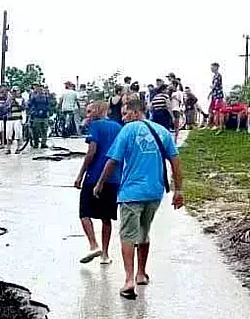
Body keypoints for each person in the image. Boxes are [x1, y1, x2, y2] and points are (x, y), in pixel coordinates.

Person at [94, 97, 184, 300]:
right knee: (144, 232)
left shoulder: (128, 131)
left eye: (126, 113)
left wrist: (100, 184)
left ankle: (128, 280)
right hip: (154, 192)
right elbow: (176, 162)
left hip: (131, 192)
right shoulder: (162, 131)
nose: (123, 118)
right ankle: (141, 273)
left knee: (128, 234)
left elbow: (113, 161)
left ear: (136, 112)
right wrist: (179, 190)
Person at [74, 101, 123, 266]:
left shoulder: (95, 126)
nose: (87, 115)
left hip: (94, 176)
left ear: (97, 111)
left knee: (84, 212)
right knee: (106, 217)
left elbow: (91, 152)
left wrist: (80, 174)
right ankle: (105, 254)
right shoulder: (118, 126)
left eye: (89, 112)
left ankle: (94, 244)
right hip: (114, 177)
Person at [26, 84, 52, 148]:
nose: (41, 91)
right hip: (36, 116)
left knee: (44, 130)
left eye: (41, 89)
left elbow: (48, 105)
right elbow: (30, 105)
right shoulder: (34, 97)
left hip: (44, 116)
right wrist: (32, 112)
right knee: (36, 130)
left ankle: (43, 143)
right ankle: (36, 143)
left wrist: (47, 112)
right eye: (39, 89)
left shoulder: (46, 97)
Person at [5, 86, 25, 154]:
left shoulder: (21, 100)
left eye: (16, 92)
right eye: (13, 92)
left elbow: (23, 108)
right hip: (10, 119)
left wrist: (17, 103)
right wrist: (10, 104)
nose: (14, 93)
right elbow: (5, 109)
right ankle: (8, 148)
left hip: (17, 119)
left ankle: (18, 148)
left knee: (18, 134)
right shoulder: (8, 100)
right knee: (9, 135)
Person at [208, 62, 225, 130]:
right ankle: (212, 124)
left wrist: (211, 87)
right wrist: (210, 93)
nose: (211, 69)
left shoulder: (218, 75)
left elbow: (215, 86)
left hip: (218, 95)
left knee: (217, 110)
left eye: (212, 67)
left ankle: (218, 125)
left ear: (216, 67)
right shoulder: (214, 76)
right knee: (212, 109)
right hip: (214, 95)